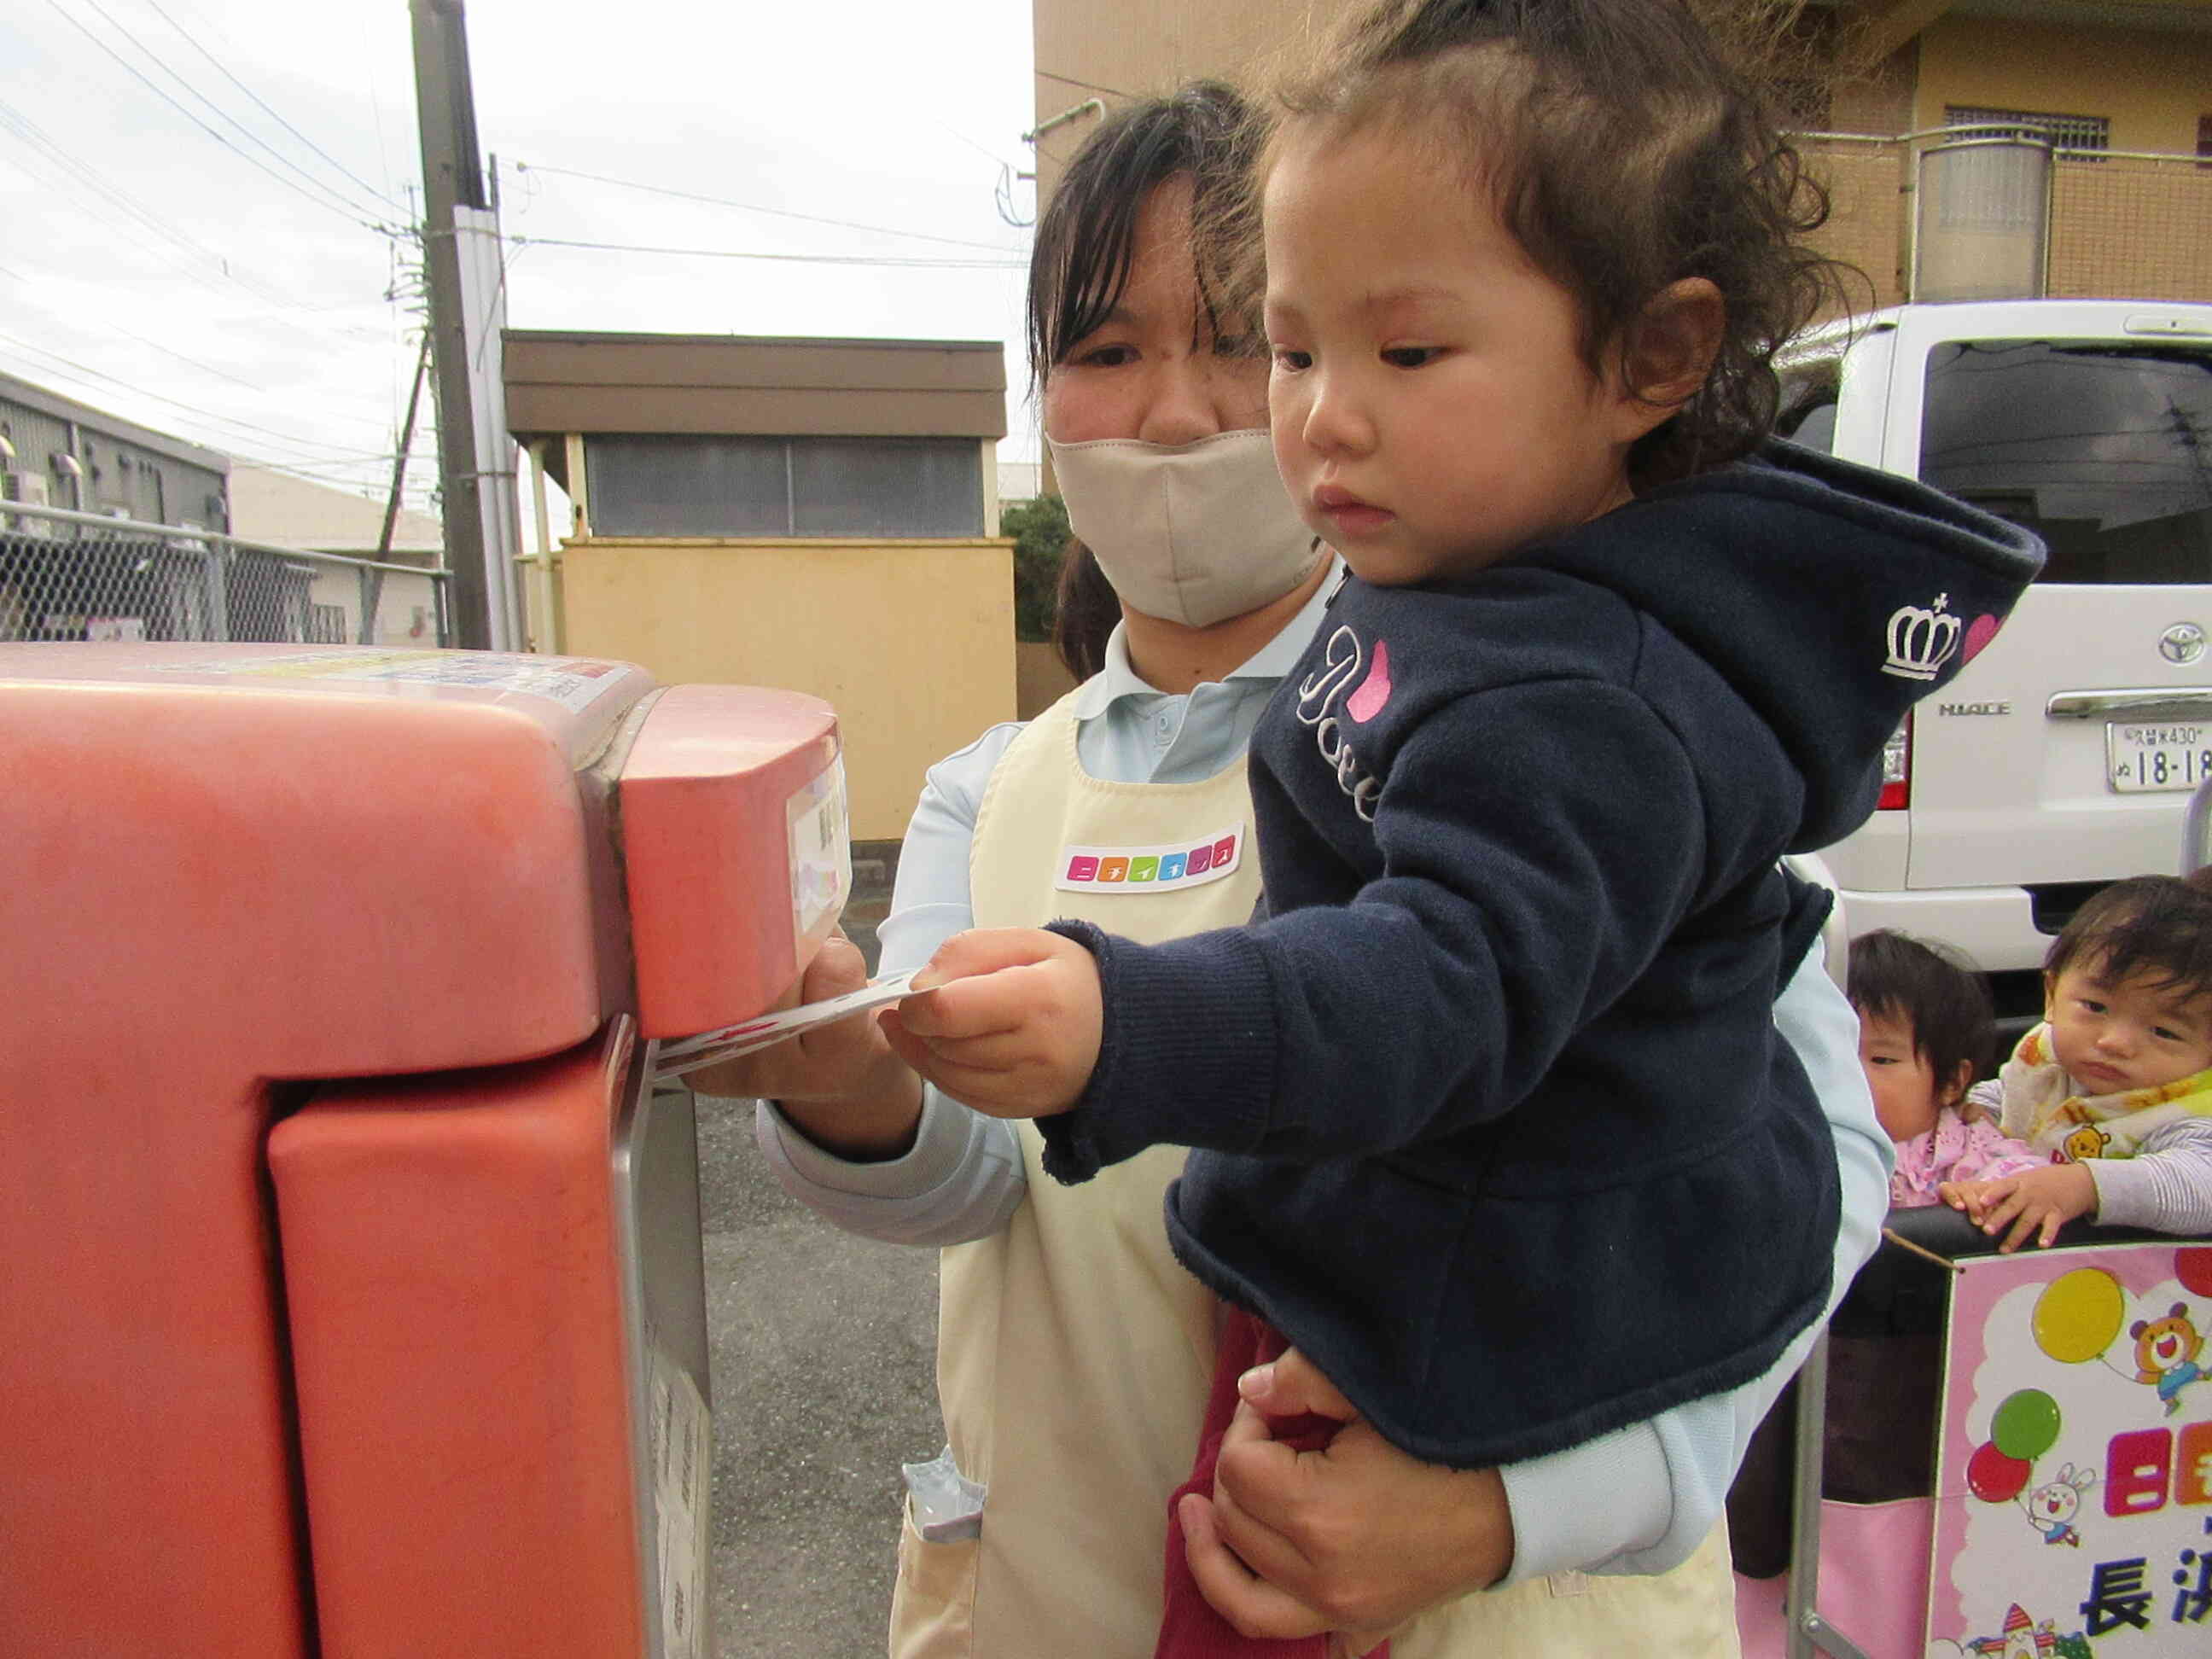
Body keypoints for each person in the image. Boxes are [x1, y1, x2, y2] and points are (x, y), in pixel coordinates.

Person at [705, 78, 1892, 1659]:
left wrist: (1509, 1509)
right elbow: (977, 1176)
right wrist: (850, 1082)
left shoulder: (1572, 714)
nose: (1184, 411)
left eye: (1233, 341)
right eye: (1108, 351)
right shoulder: (992, 789)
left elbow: (1816, 1173)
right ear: (1042, 396)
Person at [889, 0, 2042, 1544]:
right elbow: (954, 1177)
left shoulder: (1586, 701)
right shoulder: (1453, 611)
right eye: (1296, 344)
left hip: (1502, 1355)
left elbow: (1438, 979)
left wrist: (1128, 1017)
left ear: (1651, 357)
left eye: (1404, 348)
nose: (1315, 416)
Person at [1944, 874, 2212, 1249]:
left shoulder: (2187, 1112)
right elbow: (2012, 1093)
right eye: (2095, 1007)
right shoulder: (2050, 1057)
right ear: (2052, 995)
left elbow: (2201, 1183)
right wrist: (1971, 1114)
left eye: (2163, 1031)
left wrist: (2086, 1185)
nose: (2114, 1042)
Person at [1848, 928, 2041, 1208]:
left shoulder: (1968, 1150)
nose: (1850, 1073)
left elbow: (2027, 1179)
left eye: (1882, 1060)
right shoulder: (1801, 1139)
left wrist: (1985, 1195)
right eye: (1836, 1054)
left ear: (1951, 1082)